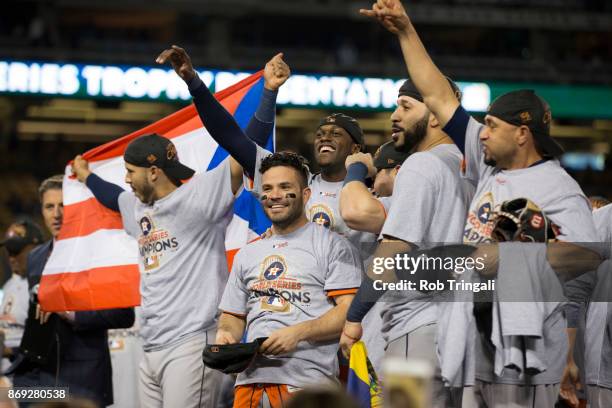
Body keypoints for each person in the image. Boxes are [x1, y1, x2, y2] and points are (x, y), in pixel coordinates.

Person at [358, 1, 600, 406]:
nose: (481, 134)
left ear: (522, 133)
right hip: (473, 339)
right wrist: (404, 30)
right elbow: (436, 93)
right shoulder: (489, 168)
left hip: (525, 350)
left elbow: (586, 257)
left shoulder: (559, 188)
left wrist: (511, 257)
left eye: (492, 126)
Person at [71, 51, 290, 408]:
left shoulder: (200, 195)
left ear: (153, 170)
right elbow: (111, 197)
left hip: (192, 341)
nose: (125, 179)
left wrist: (267, 91)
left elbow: (243, 148)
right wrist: (86, 176)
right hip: (151, 342)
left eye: (130, 171)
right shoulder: (137, 206)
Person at [339, 74, 471, 408]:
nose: (395, 115)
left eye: (406, 106)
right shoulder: (469, 167)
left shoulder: (421, 164)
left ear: (437, 116)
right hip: (459, 328)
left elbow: (394, 251)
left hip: (418, 327)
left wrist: (354, 318)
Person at [216, 152, 363, 407]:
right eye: (268, 188)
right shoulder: (248, 253)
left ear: (306, 195)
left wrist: (299, 333)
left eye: (285, 187)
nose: (274, 195)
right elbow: (233, 316)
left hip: (308, 387)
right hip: (248, 385)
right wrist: (226, 335)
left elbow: (349, 311)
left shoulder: (333, 246)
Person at [11, 175, 135, 407]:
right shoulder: (36, 257)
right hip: (43, 377)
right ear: (42, 210)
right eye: (49, 206)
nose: (56, 214)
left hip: (85, 378)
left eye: (63, 206)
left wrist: (69, 312)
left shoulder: (98, 256)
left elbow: (124, 314)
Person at [339, 141, 410, 234]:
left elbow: (354, 212)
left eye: (377, 173)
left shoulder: (408, 203)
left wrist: (357, 166)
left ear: (398, 172)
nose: (372, 185)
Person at [0, 218, 43, 369]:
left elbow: (44, 346)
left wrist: (9, 351)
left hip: (31, 382)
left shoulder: (43, 287)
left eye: (17, 251)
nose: (12, 258)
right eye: (9, 251)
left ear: (36, 248)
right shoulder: (8, 285)